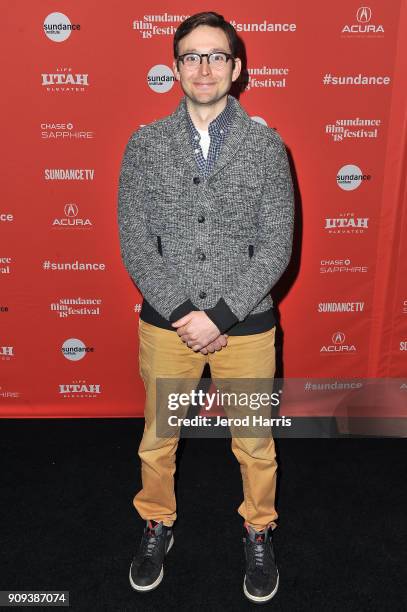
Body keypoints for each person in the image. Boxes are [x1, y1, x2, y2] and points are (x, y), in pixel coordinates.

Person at [117, 11, 294, 604]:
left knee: (254, 443)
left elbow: (277, 244)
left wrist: (219, 315)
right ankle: (155, 523)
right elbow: (135, 240)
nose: (203, 67)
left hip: (246, 328)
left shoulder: (267, 145)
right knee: (158, 439)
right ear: (174, 67)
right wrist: (181, 312)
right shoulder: (144, 144)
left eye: (216, 56)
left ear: (236, 68)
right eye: (192, 56)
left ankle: (258, 529)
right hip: (166, 325)